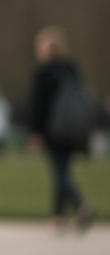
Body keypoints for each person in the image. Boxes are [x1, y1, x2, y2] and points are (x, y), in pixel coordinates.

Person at [27, 25, 94, 231]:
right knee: (62, 170)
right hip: (73, 129)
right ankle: (58, 216)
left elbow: (38, 106)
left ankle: (79, 203)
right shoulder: (71, 69)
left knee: (59, 172)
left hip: (53, 130)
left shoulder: (44, 73)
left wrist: (36, 132)